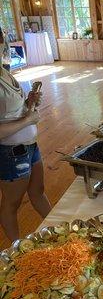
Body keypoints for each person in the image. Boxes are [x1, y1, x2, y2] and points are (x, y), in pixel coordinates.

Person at [0, 26, 51, 242]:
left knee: (38, 191)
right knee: (11, 204)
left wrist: (28, 102)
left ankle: (60, 232)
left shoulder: (4, 71)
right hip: (11, 152)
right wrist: (27, 120)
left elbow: (9, 110)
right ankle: (16, 251)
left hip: (30, 146)